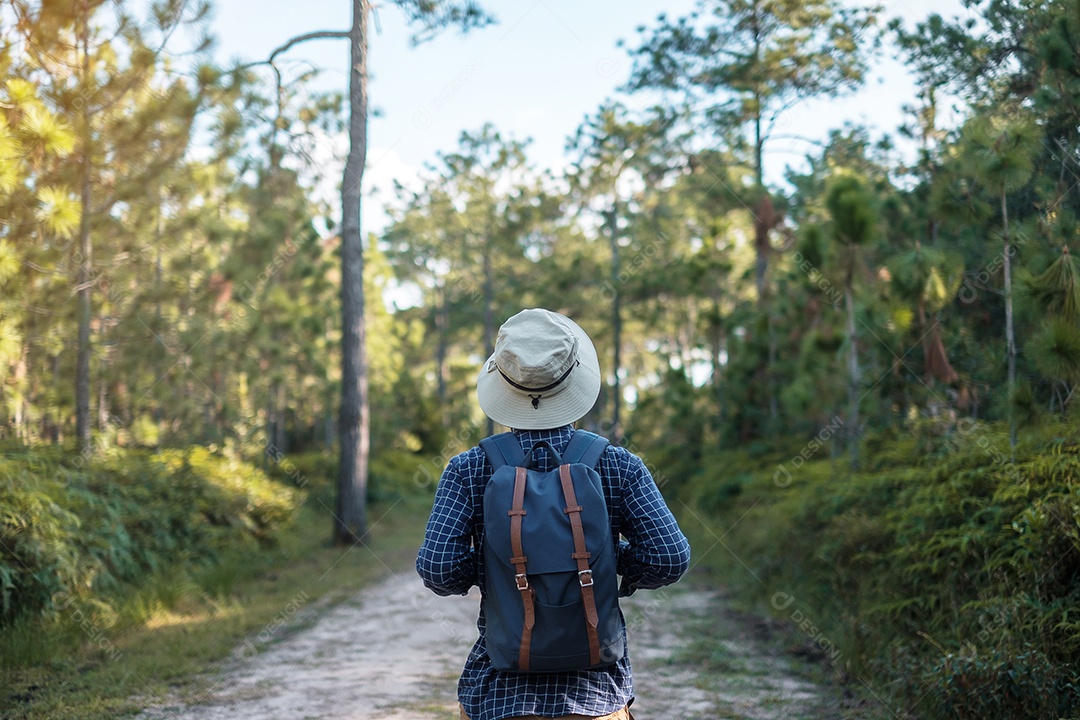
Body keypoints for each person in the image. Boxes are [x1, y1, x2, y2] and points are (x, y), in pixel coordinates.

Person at [417, 307, 691, 720]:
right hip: (595, 694)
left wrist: (495, 565)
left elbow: (438, 569)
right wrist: (607, 560)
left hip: (499, 693)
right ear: (577, 378)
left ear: (501, 382)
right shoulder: (619, 465)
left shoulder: (469, 469)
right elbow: (669, 557)